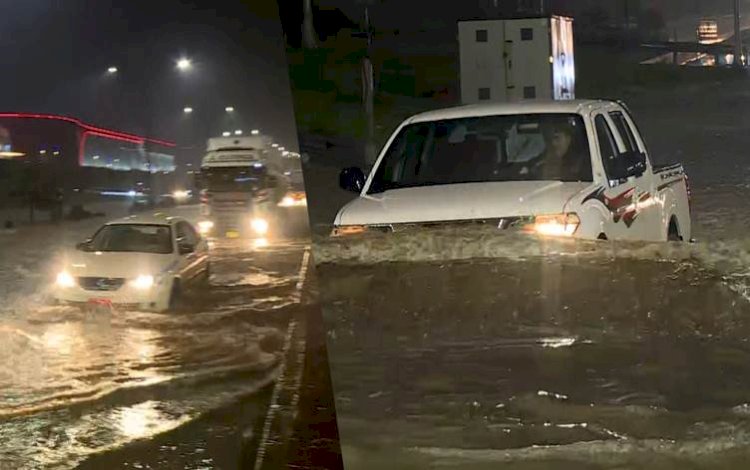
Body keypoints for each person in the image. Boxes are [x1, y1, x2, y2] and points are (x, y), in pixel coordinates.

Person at [520, 119, 592, 181]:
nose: (553, 143)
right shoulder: (537, 163)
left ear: (568, 138)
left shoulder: (584, 164)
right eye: (549, 139)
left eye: (557, 138)